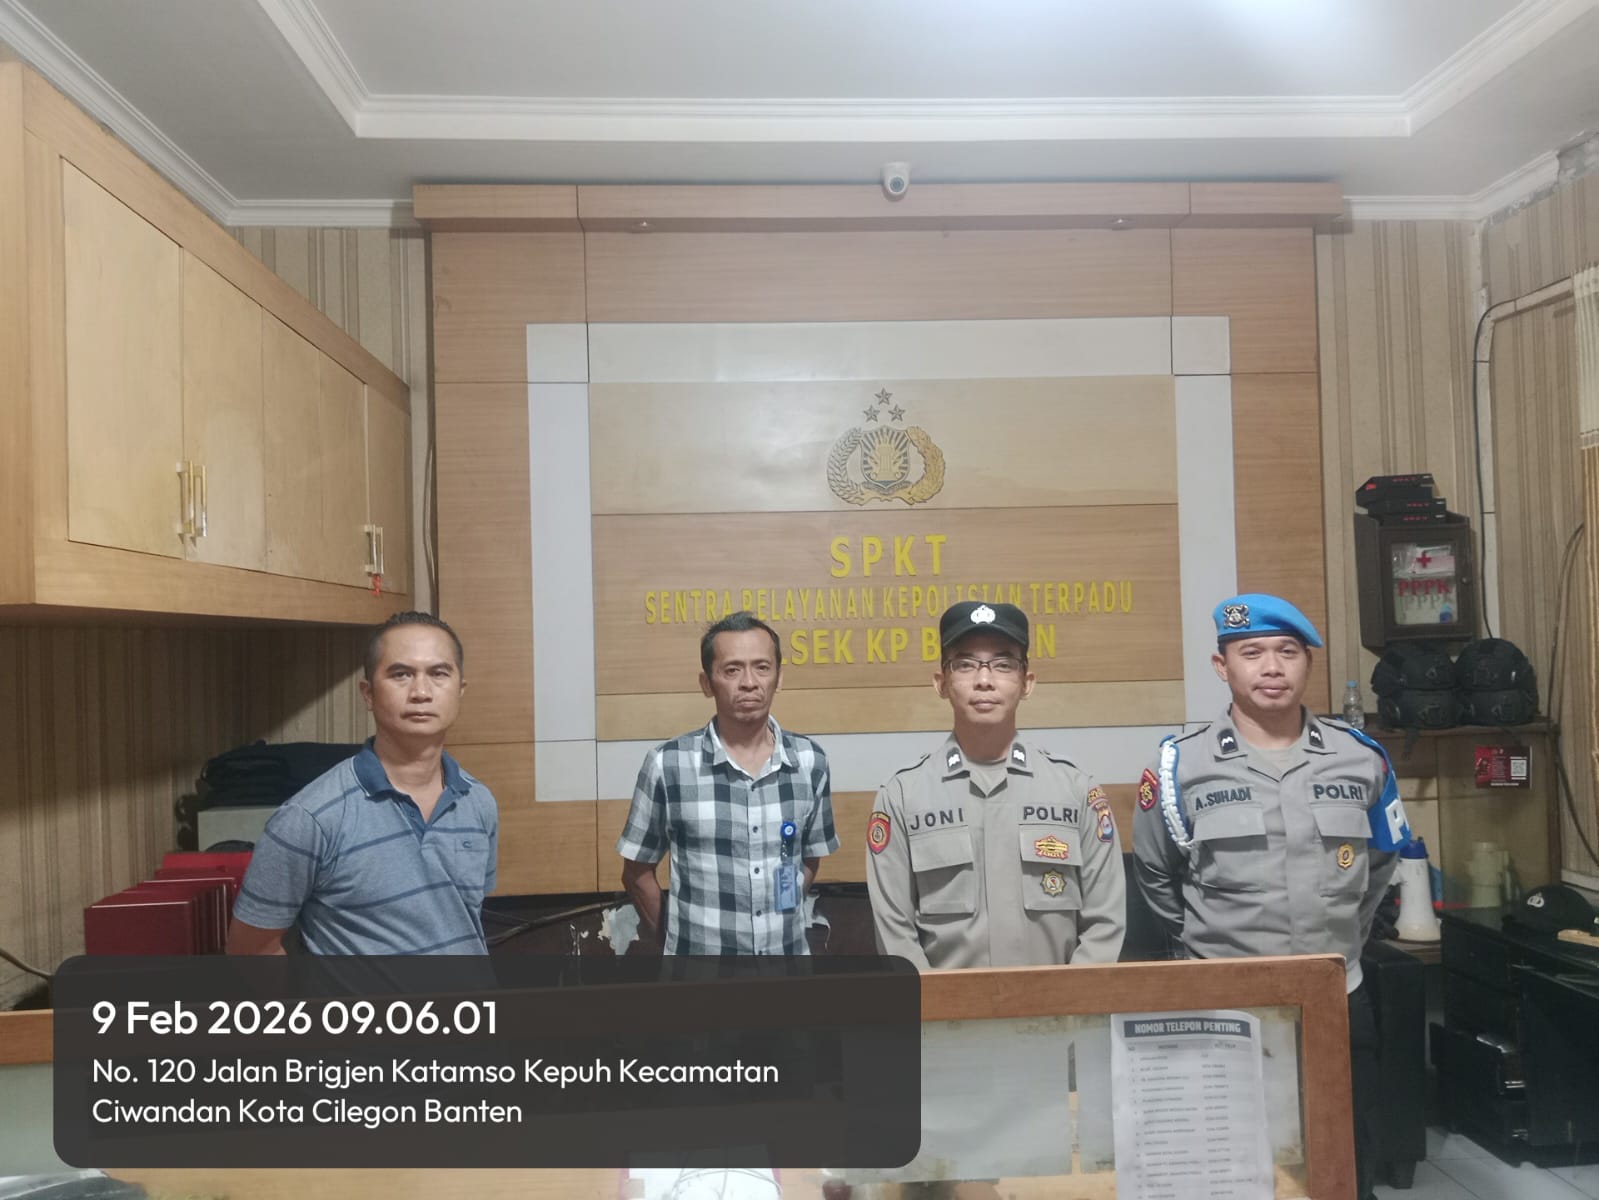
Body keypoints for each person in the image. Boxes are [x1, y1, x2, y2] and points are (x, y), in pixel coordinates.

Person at [1132, 593, 1410, 1200]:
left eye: (1288, 651)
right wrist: (1209, 943)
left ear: (1308, 663)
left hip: (1336, 995)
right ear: (1221, 666)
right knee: (1227, 1164)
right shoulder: (1181, 766)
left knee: (1344, 1157)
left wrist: (1339, 944)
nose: (1272, 667)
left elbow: (1380, 865)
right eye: (1251, 652)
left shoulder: (1361, 759)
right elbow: (1155, 872)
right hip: (1223, 999)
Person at [867, 600, 1125, 968]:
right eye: (965, 664)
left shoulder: (1076, 792)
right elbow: (896, 937)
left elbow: (1105, 926)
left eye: (1003, 664)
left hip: (1058, 1004)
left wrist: (1068, 1002)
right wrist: (938, 1004)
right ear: (941, 683)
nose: (984, 680)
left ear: (1026, 683)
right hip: (945, 1006)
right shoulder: (902, 797)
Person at [228, 612, 499, 955]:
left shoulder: (478, 802)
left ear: (460, 691)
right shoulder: (310, 818)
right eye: (401, 674)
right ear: (368, 694)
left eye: (438, 673)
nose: (421, 692)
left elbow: (464, 920)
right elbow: (250, 950)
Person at [617, 611, 838, 955]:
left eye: (762, 667)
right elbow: (636, 871)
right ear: (707, 683)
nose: (749, 682)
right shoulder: (668, 764)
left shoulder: (810, 762)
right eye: (732, 670)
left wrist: (783, 908)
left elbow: (808, 857)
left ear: (779, 678)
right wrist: (676, 945)